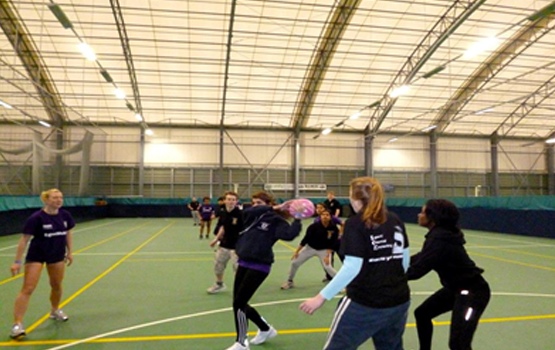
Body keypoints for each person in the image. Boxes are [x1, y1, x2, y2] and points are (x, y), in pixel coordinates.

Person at [299, 177, 410, 350]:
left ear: (355, 199)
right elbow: (404, 260)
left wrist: (320, 297)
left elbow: (352, 266)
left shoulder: (355, 223)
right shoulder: (394, 219)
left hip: (365, 303)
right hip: (399, 301)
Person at [407, 199, 491, 350]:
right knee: (422, 314)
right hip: (455, 289)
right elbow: (422, 257)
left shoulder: (440, 239)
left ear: (433, 217)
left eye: (422, 212)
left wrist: (386, 273)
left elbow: (417, 271)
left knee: (459, 344)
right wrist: (397, 262)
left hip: (472, 293)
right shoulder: (439, 236)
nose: (419, 215)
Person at [225, 191, 302, 350]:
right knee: (239, 302)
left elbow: (288, 235)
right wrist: (271, 208)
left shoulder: (276, 221)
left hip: (259, 265)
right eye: (253, 202)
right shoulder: (251, 216)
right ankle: (266, 329)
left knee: (239, 302)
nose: (255, 206)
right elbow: (246, 211)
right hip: (244, 262)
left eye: (259, 203)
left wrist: (298, 219)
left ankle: (241, 342)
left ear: (267, 203)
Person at [9, 188, 75, 339]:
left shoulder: (65, 216)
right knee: (28, 288)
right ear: (46, 200)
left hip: (57, 256)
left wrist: (70, 251)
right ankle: (17, 324)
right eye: (54, 198)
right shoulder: (36, 218)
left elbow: (68, 233)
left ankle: (55, 310)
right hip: (37, 256)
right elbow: (24, 240)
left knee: (56, 285)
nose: (58, 200)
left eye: (60, 197)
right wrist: (17, 261)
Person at [281, 208, 339, 290]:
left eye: (327, 215)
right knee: (294, 263)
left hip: (323, 250)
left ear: (330, 217)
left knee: (328, 267)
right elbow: (305, 239)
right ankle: (289, 282)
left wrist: (327, 255)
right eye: (323, 215)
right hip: (310, 248)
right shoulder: (313, 227)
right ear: (320, 216)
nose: (325, 217)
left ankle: (341, 284)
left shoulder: (334, 228)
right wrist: (297, 251)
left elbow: (333, 242)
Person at [207, 191, 243, 294]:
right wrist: (216, 239)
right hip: (224, 244)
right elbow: (223, 227)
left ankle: (240, 288)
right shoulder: (223, 212)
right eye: (229, 199)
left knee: (237, 268)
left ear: (236, 201)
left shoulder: (240, 214)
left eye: (233, 200)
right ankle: (219, 284)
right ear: (225, 200)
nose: (231, 201)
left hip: (237, 246)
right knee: (218, 265)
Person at [314, 202, 344, 282]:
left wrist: (340, 234)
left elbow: (342, 224)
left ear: (324, 208)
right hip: (327, 244)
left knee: (342, 257)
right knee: (329, 260)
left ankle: (349, 274)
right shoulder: (316, 220)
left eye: (320, 207)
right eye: (317, 208)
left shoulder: (332, 217)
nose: (318, 209)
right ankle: (329, 276)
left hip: (337, 242)